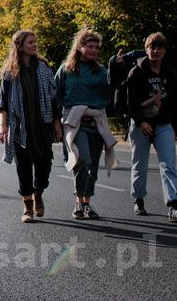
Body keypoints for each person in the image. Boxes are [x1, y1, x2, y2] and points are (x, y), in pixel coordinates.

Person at [0, 30, 62, 223]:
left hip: (43, 125)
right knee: (23, 167)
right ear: (20, 46)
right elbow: (4, 102)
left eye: (35, 41)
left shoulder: (43, 67)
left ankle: (38, 192)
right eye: (30, 42)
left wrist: (57, 125)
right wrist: (2, 126)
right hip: (19, 127)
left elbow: (53, 98)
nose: (34, 45)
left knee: (44, 167)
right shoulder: (9, 72)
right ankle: (27, 206)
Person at [55, 28, 115, 220]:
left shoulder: (101, 71)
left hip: (96, 121)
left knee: (93, 166)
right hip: (74, 122)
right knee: (83, 158)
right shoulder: (66, 69)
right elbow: (56, 95)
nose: (94, 50)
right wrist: (56, 122)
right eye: (90, 46)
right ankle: (79, 201)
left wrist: (118, 70)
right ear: (80, 47)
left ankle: (85, 203)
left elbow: (110, 94)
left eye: (97, 47)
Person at [126, 33, 177, 222]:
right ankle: (138, 199)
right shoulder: (137, 72)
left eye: (159, 47)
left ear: (164, 50)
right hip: (140, 124)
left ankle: (172, 205)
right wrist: (140, 122)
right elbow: (131, 103)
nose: (155, 51)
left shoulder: (170, 73)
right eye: (152, 47)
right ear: (146, 49)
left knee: (169, 165)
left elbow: (174, 102)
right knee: (140, 164)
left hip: (164, 124)